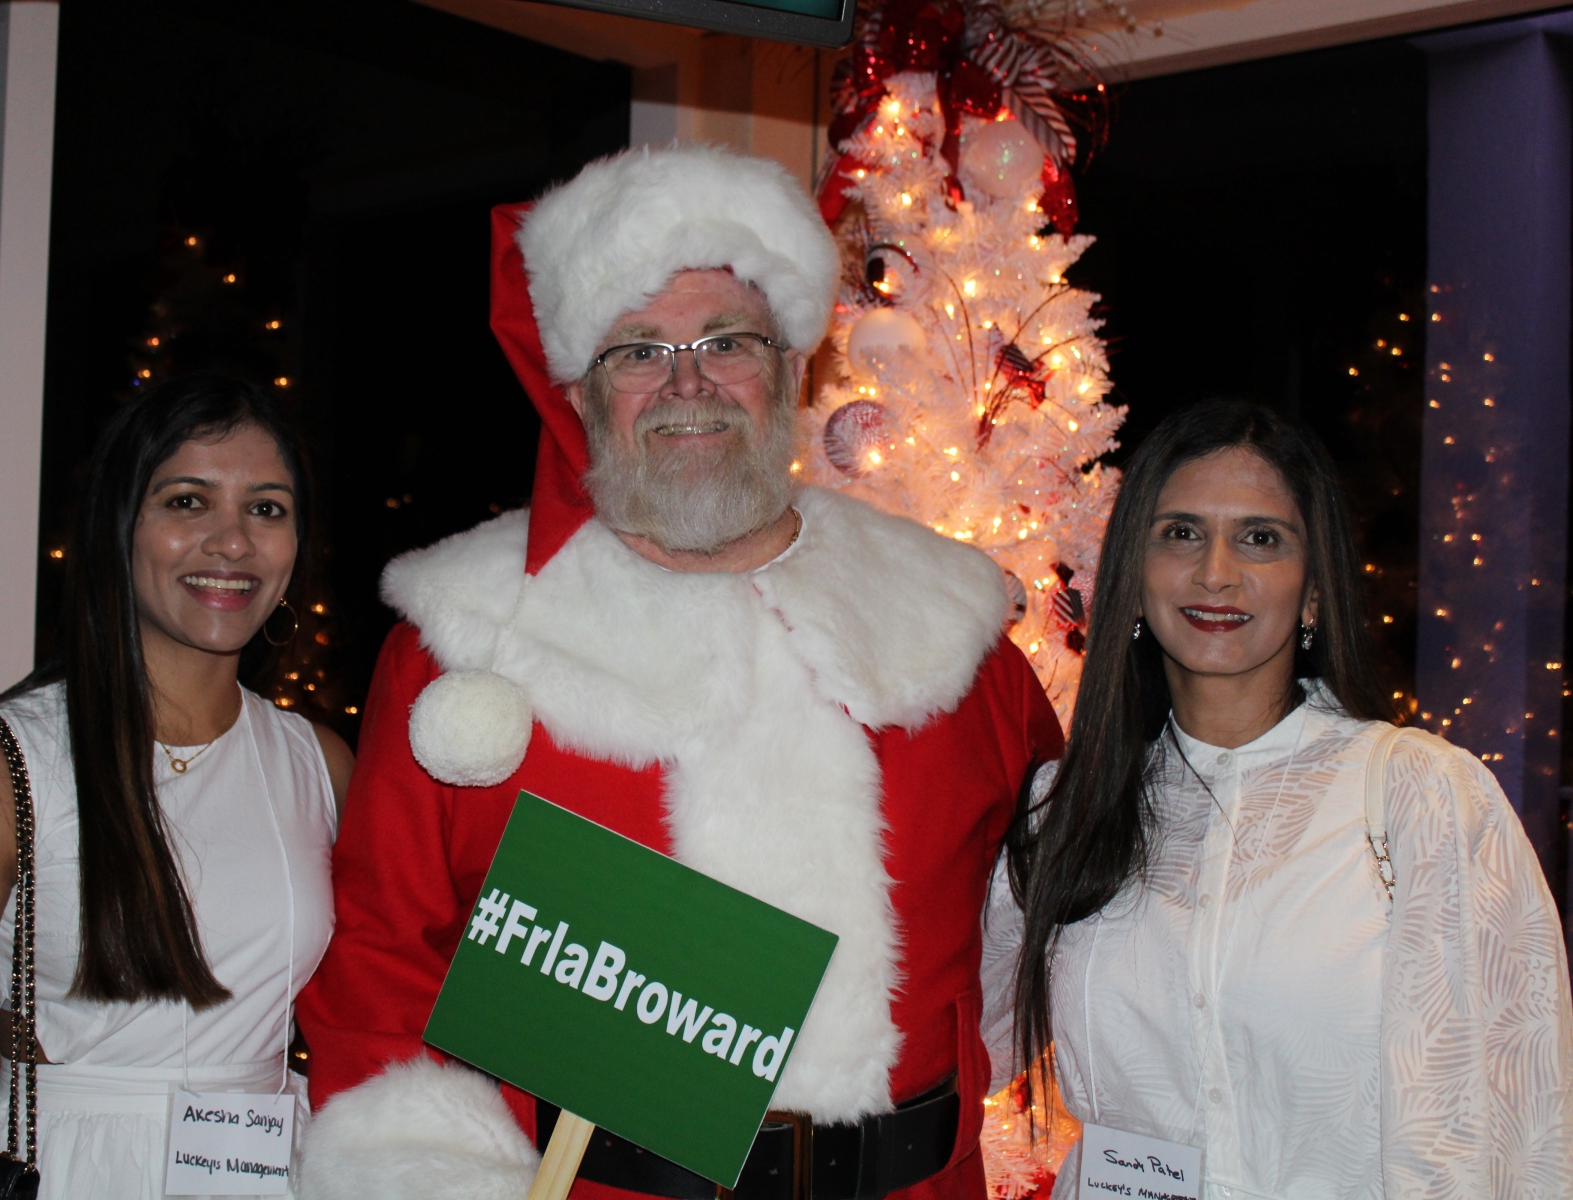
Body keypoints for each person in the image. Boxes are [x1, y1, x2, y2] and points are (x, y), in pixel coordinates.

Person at [294, 144, 1064, 1200]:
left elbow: (1050, 928)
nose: (687, 384)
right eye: (639, 351)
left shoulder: (951, 636)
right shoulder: (466, 645)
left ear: (791, 367)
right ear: (581, 392)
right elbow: (379, 962)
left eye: (726, 342)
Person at [982, 399, 1573, 1198]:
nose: (1215, 572)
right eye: (1180, 532)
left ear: (1314, 588)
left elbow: (1504, 1129)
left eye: (1260, 538)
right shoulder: (1066, 808)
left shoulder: (1421, 798)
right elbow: (947, 1035)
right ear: (1133, 575)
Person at [0, 374, 354, 1199]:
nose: (233, 541)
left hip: (270, 1171)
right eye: (188, 502)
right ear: (119, 526)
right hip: (64, 1170)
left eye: (266, 509)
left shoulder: (319, 765)